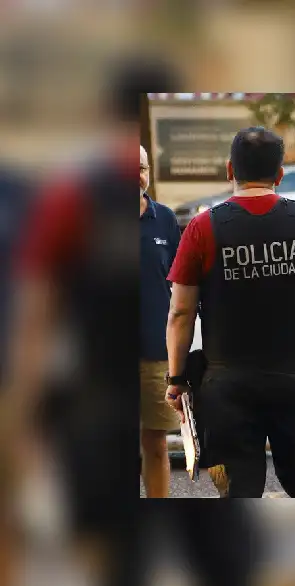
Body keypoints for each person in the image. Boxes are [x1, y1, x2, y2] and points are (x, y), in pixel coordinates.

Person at [165, 126, 295, 498]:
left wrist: (176, 378)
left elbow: (181, 312)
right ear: (281, 174)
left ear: (229, 170)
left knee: (239, 490)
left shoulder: (202, 227)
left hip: (228, 386)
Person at [139, 144, 181, 498]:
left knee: (156, 446)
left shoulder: (164, 218)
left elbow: (181, 285)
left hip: (156, 354)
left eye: (141, 167)